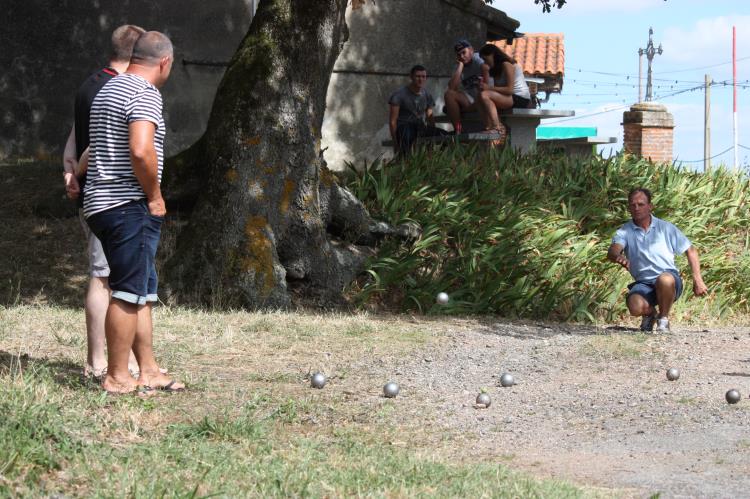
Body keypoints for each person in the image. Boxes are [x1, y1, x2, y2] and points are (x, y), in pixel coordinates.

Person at [84, 31, 184, 394]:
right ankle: (117, 375)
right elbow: (141, 151)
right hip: (128, 205)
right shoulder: (145, 93)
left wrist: (76, 176)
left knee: (140, 289)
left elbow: (93, 146)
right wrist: (155, 196)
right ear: (164, 62)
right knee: (127, 292)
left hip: (100, 204)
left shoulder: (108, 88)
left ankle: (150, 370)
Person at [62, 24, 145, 379]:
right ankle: (100, 362)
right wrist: (78, 172)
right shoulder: (117, 89)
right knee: (104, 278)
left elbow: (74, 135)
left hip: (92, 194)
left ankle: (114, 359)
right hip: (108, 196)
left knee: (108, 275)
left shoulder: (88, 85)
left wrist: (67, 170)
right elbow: (97, 144)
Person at [607, 188, 708, 332]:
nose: (636, 208)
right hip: (644, 283)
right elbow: (613, 250)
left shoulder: (666, 228)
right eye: (632, 205)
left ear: (650, 206)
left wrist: (698, 279)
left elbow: (690, 250)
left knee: (664, 279)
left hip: (669, 280)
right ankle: (651, 314)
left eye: (641, 204)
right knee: (634, 307)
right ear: (629, 207)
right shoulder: (624, 231)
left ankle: (663, 319)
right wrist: (617, 256)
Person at [388, 65, 444, 155]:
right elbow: (393, 121)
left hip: (420, 127)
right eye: (418, 76)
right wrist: (395, 142)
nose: (420, 79)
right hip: (404, 127)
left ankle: (436, 160)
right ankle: (405, 162)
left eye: (423, 77)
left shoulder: (426, 94)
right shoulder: (399, 95)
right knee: (406, 137)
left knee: (446, 136)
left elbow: (430, 116)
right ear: (411, 77)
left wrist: (432, 135)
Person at [476, 44, 531, 133]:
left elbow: (509, 90)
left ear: (493, 54)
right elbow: (499, 89)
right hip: (509, 97)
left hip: (520, 97)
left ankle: (497, 127)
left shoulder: (507, 64)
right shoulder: (495, 69)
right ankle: (489, 126)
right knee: (479, 97)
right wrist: (483, 88)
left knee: (484, 95)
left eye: (485, 59)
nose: (485, 63)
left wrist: (488, 88)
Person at [444, 38, 484, 134]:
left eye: (464, 52)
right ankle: (458, 130)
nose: (462, 56)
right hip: (471, 100)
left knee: (448, 109)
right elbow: (451, 88)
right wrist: (460, 67)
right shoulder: (459, 65)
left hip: (484, 98)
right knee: (449, 95)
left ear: (471, 50)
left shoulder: (479, 59)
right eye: (459, 54)